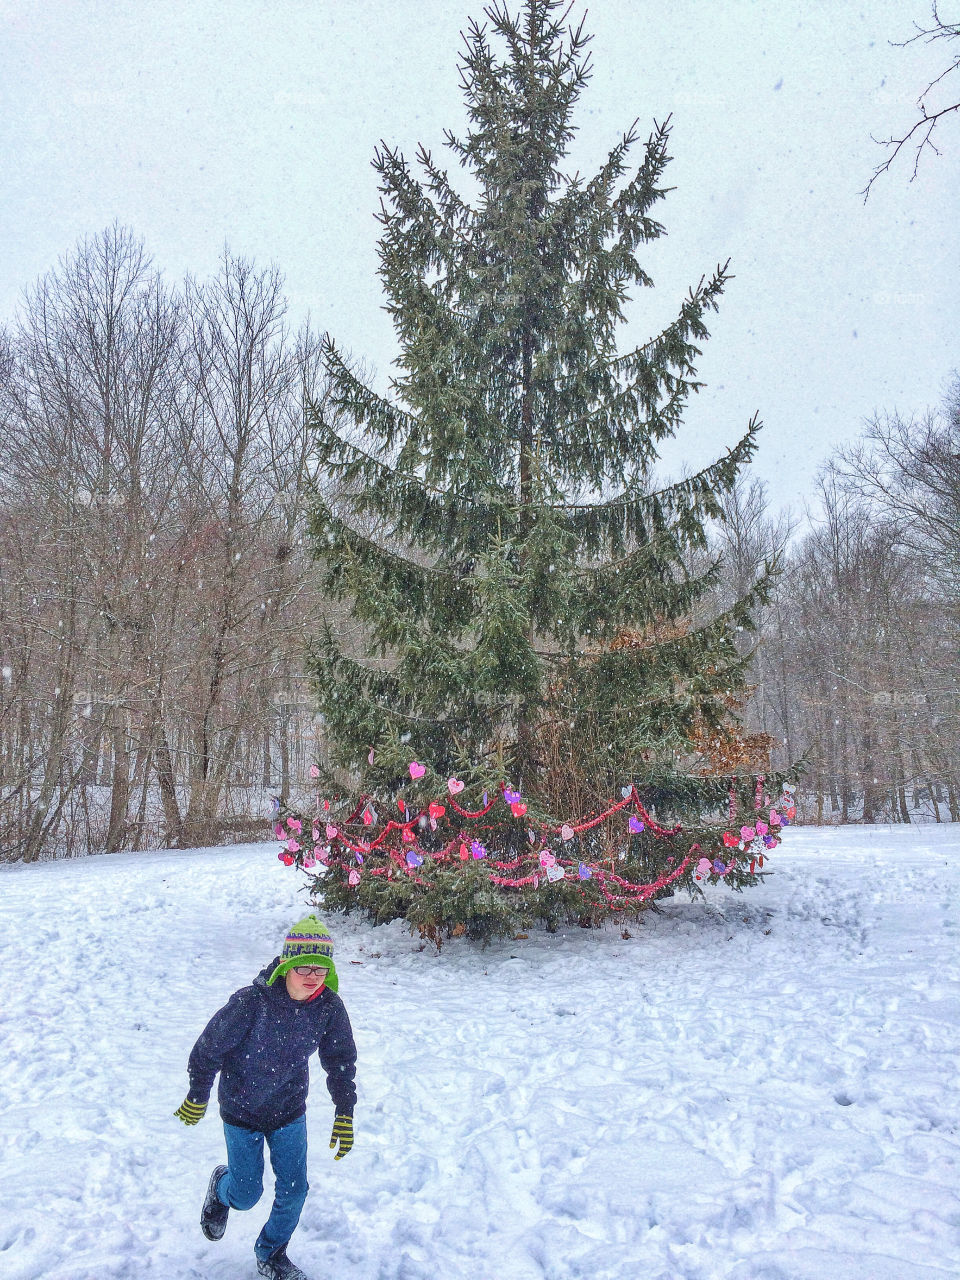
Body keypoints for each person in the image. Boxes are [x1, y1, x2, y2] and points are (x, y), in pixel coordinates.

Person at [175, 915, 357, 1280]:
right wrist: (199, 1093)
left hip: (289, 1110)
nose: (312, 976)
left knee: (294, 1190)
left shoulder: (328, 1007)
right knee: (246, 1193)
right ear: (286, 964)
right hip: (242, 1110)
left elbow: (340, 1060)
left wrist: (344, 1110)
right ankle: (221, 1188)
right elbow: (208, 1049)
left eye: (321, 969)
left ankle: (271, 1253)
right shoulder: (250, 1003)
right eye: (303, 966)